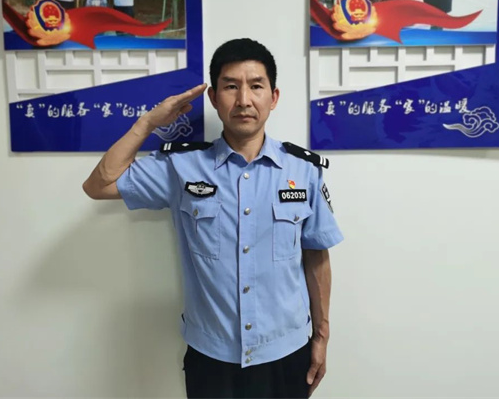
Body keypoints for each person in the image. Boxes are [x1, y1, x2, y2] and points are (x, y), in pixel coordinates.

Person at [82, 38, 344, 398]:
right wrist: (148, 123)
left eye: (256, 86)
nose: (244, 100)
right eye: (231, 86)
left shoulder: (304, 170)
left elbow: (316, 255)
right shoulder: (181, 167)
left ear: (273, 97)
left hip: (286, 351)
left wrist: (322, 335)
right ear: (214, 98)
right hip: (212, 357)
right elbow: (99, 185)